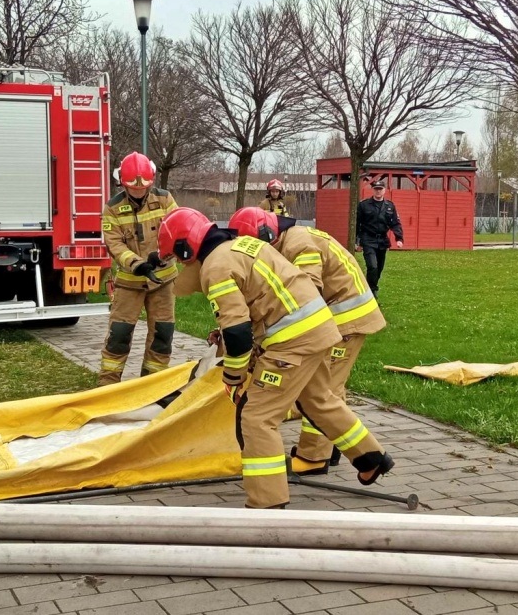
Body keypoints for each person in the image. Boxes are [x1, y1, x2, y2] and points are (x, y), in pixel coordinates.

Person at [158, 207, 394, 509]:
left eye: (177, 257)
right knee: (318, 399)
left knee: (256, 418)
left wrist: (233, 376)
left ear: (185, 246)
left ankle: (267, 503)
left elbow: (239, 333)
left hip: (292, 344)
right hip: (320, 330)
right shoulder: (244, 246)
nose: (179, 264)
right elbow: (263, 302)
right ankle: (372, 458)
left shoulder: (215, 268)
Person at [228, 207, 385, 476]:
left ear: (267, 237)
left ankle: (315, 457)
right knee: (327, 389)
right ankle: (340, 445)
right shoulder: (286, 242)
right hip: (334, 320)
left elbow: (307, 290)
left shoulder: (299, 243)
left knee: (321, 391)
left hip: (344, 321)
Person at [98, 152, 179, 386]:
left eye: (143, 188)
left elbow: (177, 230)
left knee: (163, 334)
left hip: (163, 282)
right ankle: (108, 386)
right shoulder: (112, 208)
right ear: (122, 183)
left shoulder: (165, 199)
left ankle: (152, 385)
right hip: (129, 283)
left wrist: (161, 255)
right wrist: (138, 264)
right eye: (133, 188)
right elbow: (114, 243)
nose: (138, 191)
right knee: (119, 335)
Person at [354, 182, 403, 296]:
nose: (378, 191)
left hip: (382, 241)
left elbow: (395, 223)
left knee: (379, 269)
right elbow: (357, 224)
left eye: (380, 189)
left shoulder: (390, 206)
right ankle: (372, 292)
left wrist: (399, 238)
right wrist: (357, 242)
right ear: (372, 190)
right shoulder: (364, 205)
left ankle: (369, 288)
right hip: (368, 239)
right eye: (376, 189)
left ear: (384, 190)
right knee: (372, 266)